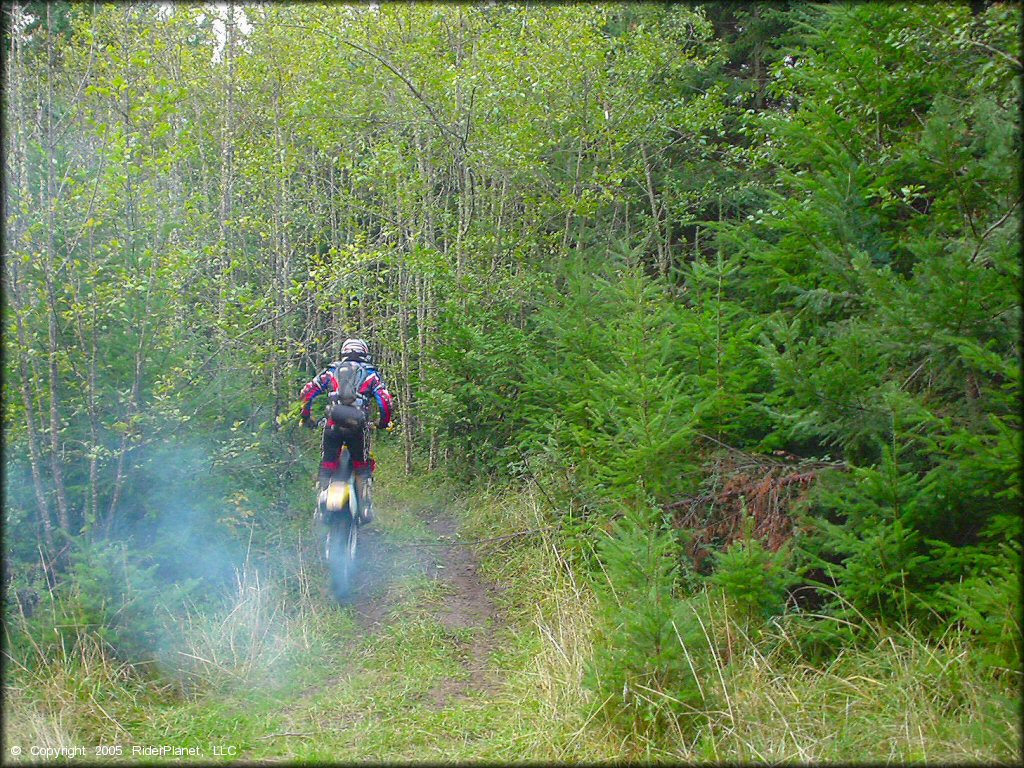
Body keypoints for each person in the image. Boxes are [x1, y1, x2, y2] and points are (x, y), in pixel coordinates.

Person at [299, 338, 394, 524]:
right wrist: (383, 422)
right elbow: (385, 401)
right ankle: (365, 506)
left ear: (343, 352)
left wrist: (306, 416)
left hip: (333, 425)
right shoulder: (370, 374)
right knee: (362, 466)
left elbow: (307, 392)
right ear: (365, 353)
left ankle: (321, 503)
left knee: (327, 463)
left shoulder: (331, 371)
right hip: (358, 429)